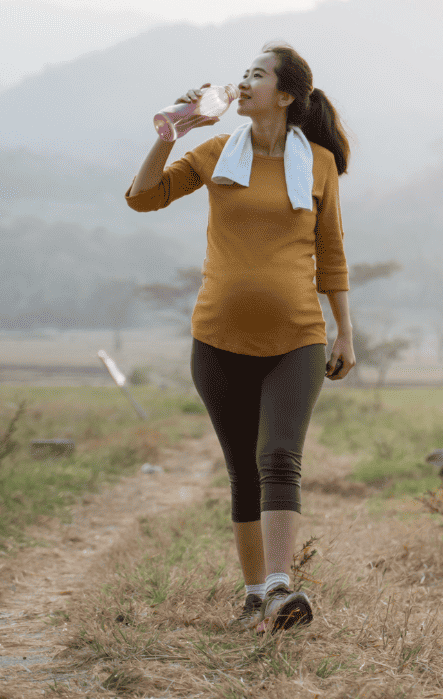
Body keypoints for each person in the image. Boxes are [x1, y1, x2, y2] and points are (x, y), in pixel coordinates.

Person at [126, 42, 355, 633]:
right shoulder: (212, 152)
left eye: (257, 75)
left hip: (298, 337)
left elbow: (331, 254)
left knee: (280, 458)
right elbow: (142, 197)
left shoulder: (320, 164)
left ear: (285, 95)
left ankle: (280, 587)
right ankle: (256, 594)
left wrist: (344, 333)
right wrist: (170, 132)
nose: (243, 82)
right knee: (243, 471)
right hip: (218, 339)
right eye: (242, 75)